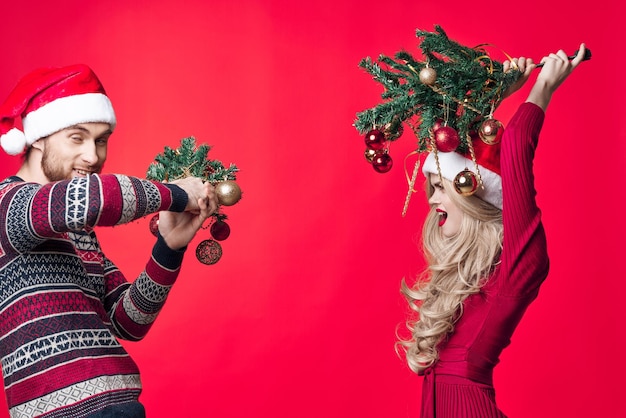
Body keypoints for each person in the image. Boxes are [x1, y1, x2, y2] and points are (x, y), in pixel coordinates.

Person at [0, 64, 218, 417]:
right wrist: (178, 194)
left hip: (123, 406)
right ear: (37, 136)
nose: (93, 155)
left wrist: (169, 246)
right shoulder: (8, 205)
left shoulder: (79, 231)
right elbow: (96, 197)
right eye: (77, 137)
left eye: (101, 140)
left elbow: (127, 321)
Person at [399, 44, 587, 417]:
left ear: (471, 193)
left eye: (442, 188)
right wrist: (500, 89)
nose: (432, 201)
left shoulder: (517, 267)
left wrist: (544, 86)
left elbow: (516, 144)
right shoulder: (465, 273)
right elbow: (458, 138)